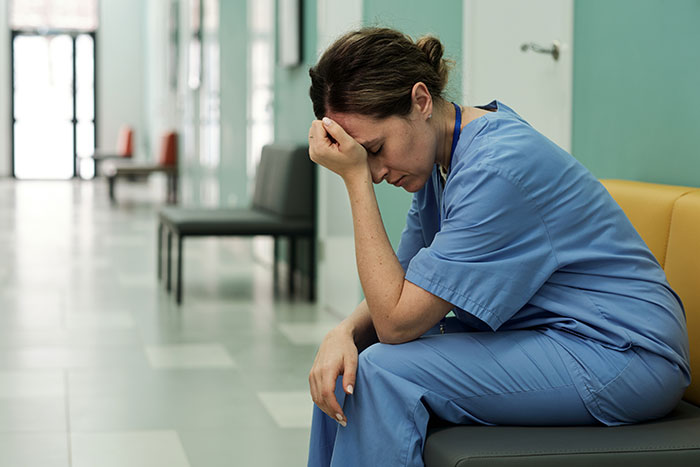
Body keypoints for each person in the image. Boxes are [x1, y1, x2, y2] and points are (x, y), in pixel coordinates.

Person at [305, 27, 690, 467]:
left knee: (380, 373)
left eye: (375, 150)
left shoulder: (496, 168)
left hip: (622, 354)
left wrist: (354, 180)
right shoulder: (441, 162)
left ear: (421, 100)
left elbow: (395, 322)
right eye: (362, 159)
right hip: (555, 336)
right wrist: (343, 334)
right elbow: (402, 280)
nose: (374, 172)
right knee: (347, 367)